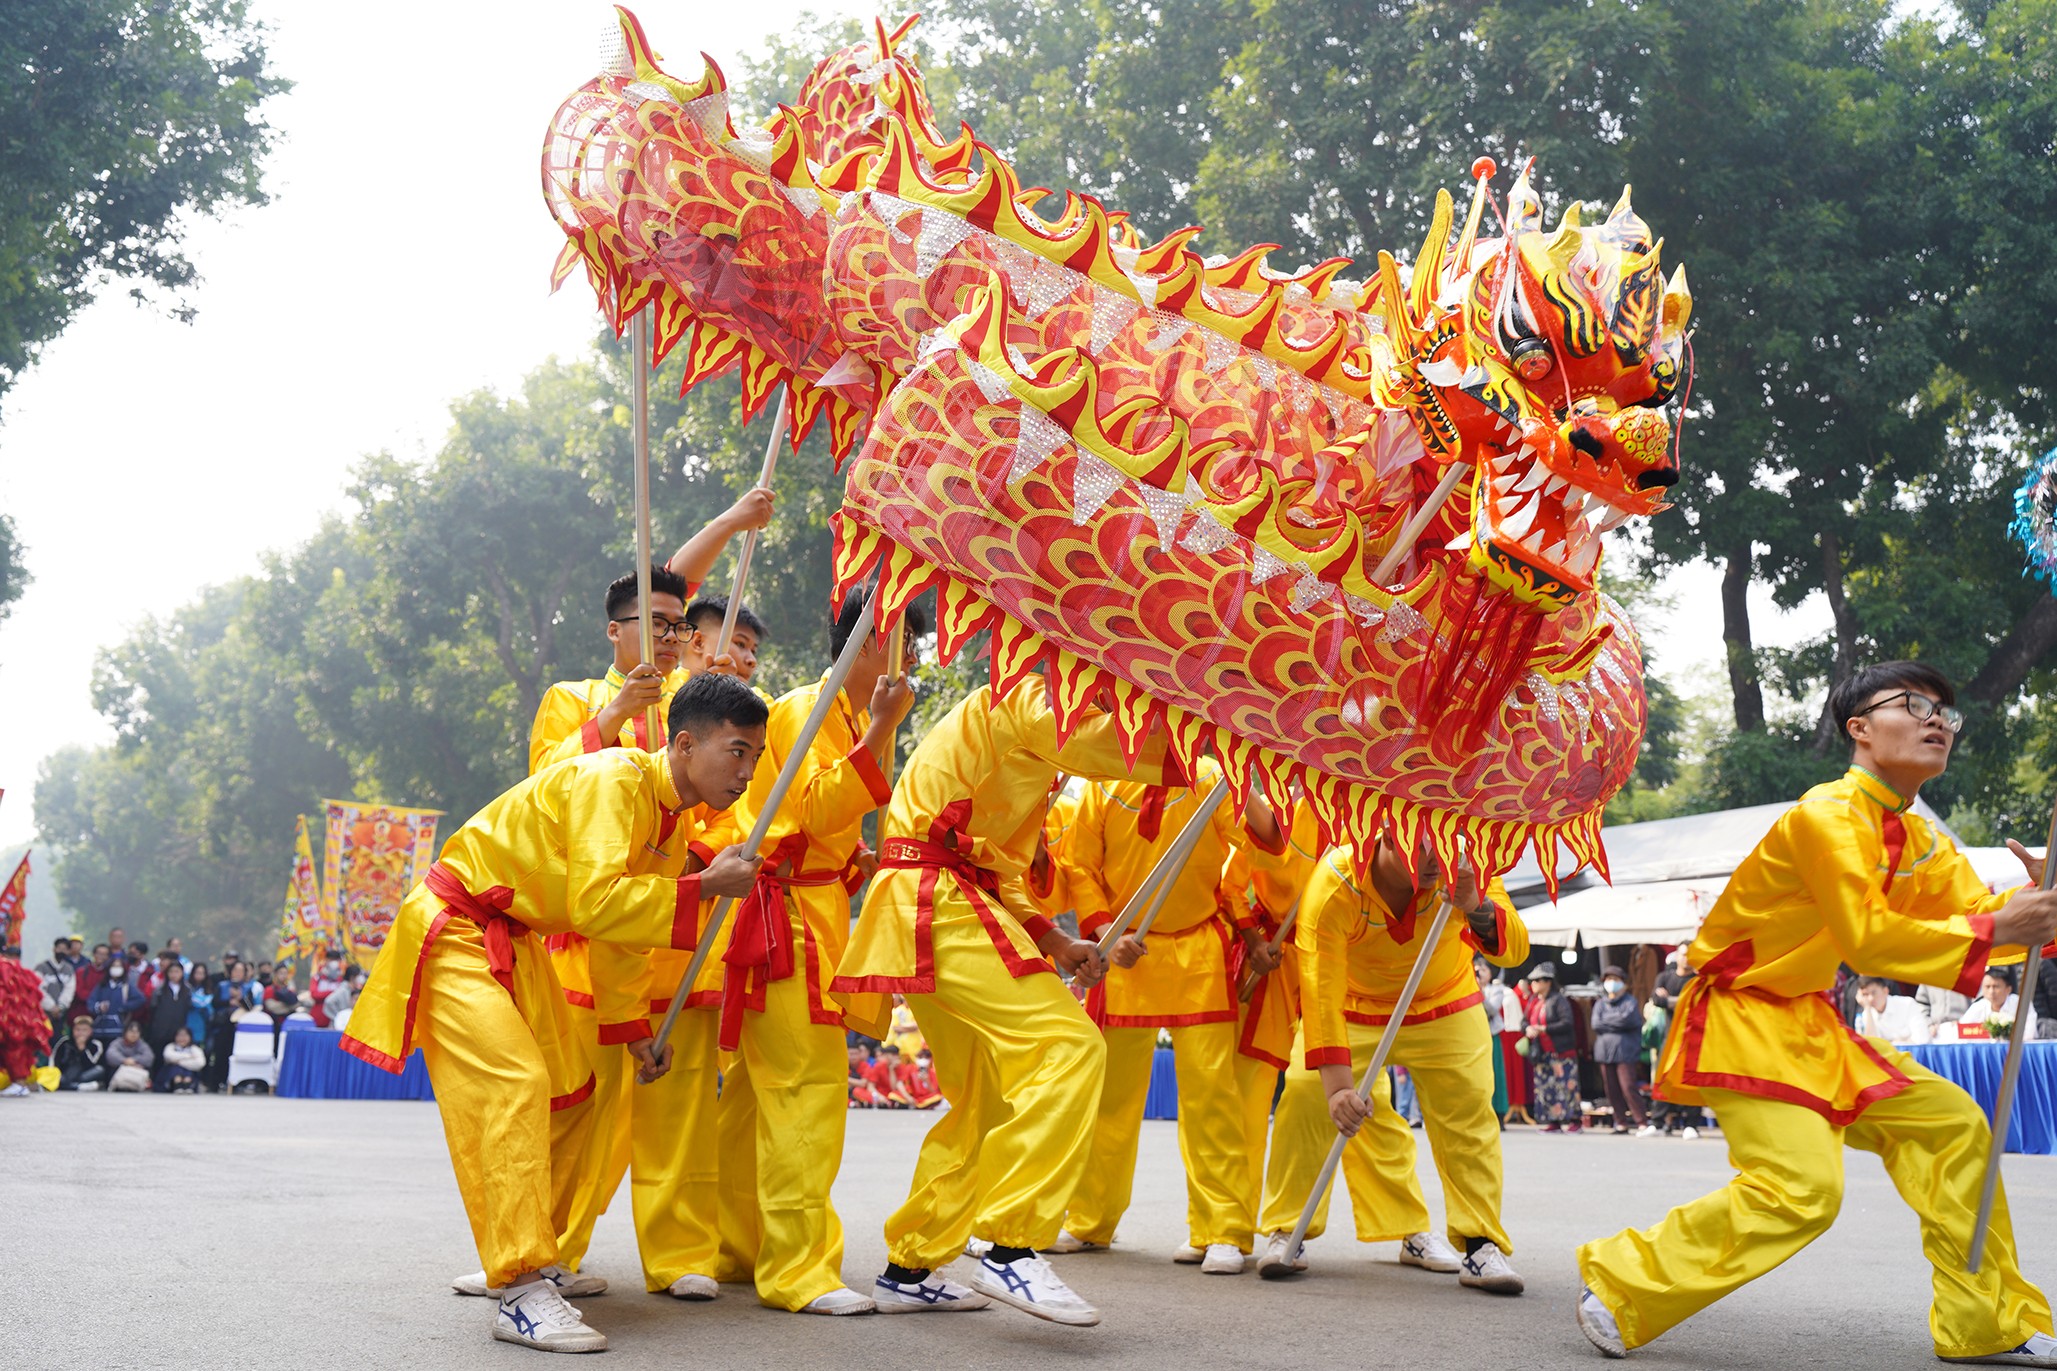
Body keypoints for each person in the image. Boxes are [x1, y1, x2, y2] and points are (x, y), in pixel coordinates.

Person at [1575, 661, 2057, 1365]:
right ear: (1858, 727)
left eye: (1946, 715)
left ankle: (1982, 1317)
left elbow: (1976, 918)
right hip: (1743, 1016)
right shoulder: (1825, 815)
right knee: (1803, 1188)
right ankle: (1622, 1281)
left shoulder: (1921, 839)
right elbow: (1868, 937)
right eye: (1916, 705)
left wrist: (2038, 907)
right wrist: (2003, 928)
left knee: (1951, 1126)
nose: (1937, 722)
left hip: (1809, 1022)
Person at [344, 673, 768, 1355]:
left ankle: (535, 1256)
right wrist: (704, 888)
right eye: (737, 751)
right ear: (685, 744)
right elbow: (600, 901)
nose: (747, 772)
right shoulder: (617, 781)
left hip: (513, 936)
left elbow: (620, 935)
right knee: (517, 1084)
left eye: (754, 756)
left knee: (574, 1092)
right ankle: (516, 1286)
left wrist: (633, 1031)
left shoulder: (668, 819)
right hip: (455, 925)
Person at [830, 668, 1180, 1325]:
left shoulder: (1037, 737)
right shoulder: (1030, 696)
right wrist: (1215, 736)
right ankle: (1012, 1243)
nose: (1118, 697)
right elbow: (1117, 751)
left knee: (985, 1097)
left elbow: (1001, 867)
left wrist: (1052, 937)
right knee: (1069, 1045)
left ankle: (910, 1265)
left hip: (942, 901)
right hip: (936, 900)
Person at [706, 590, 918, 1315]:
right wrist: (885, 726)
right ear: (865, 643)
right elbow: (810, 804)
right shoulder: (808, 706)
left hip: (807, 909)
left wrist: (850, 855)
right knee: (807, 1092)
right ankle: (799, 1269)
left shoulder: (848, 715)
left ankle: (741, 1246)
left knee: (752, 1101)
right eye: (903, 641)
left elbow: (820, 823)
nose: (912, 658)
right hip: (784, 920)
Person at [1251, 836, 1528, 1295]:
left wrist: (1475, 903)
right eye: (1420, 848)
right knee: (1303, 1094)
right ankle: (1289, 1230)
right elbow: (1319, 990)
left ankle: (1481, 1244)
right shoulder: (1336, 879)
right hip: (1355, 1006)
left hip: (1445, 1001)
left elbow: (1514, 951)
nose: (1434, 860)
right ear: (1381, 836)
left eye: (1441, 846)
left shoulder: (1469, 862)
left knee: (1469, 1112)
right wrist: (1338, 1087)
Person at [1050, 761, 1284, 1274]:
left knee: (1211, 1097)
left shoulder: (1211, 779)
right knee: (1110, 1099)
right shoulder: (1103, 781)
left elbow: (1263, 841)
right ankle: (1091, 1219)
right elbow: (1081, 868)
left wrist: (1246, 771)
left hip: (1200, 950)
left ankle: (1222, 1229)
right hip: (1123, 957)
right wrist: (1108, 931)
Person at [1590, 966, 1647, 1135]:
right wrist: (1615, 1022)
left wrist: (1608, 1022)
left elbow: (1626, 1020)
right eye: (1608, 980)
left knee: (1628, 1086)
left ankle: (1641, 1121)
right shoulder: (1600, 1003)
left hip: (1625, 1051)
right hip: (1604, 1051)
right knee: (1611, 1088)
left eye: (1615, 979)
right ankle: (1620, 1121)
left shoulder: (1630, 1002)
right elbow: (1595, 1024)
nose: (1611, 983)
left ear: (1623, 983)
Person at [1524, 966, 1580, 1132]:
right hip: (1542, 1052)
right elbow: (1524, 1021)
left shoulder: (1558, 1000)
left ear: (1547, 982)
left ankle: (1574, 1120)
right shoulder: (1534, 1001)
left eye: (1536, 980)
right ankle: (1553, 1120)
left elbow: (1567, 1022)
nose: (1532, 984)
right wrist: (1527, 1028)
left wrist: (1544, 1028)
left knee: (1566, 1085)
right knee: (1546, 1087)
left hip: (1561, 1051)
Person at [0, 945, 52, 1093]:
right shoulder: (19, 970)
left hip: (11, 1019)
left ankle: (20, 1083)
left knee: (14, 1052)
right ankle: (19, 1083)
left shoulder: (4, 967)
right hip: (23, 1019)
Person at [682, 595, 767, 683]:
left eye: (753, 651)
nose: (752, 660)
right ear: (698, 642)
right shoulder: (667, 690)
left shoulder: (759, 696)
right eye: (740, 644)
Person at [1852, 974, 1932, 1044]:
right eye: (1865, 994)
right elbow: (1871, 1045)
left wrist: (1893, 1044)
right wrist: (1867, 1009)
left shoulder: (1907, 1004)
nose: (1870, 999)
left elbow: (1922, 1039)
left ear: (1885, 991)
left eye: (1873, 993)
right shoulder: (1867, 1014)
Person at [1962, 967, 2036, 1038]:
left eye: (1996, 987)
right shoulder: (1978, 1007)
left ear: (2008, 989)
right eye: (1987, 987)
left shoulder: (2021, 1004)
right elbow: (1962, 1030)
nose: (1991, 992)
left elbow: (2028, 1034)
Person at [87, 956, 145, 1046]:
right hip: (99, 1028)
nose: (116, 969)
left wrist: (123, 1007)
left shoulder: (126, 986)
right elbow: (90, 1002)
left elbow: (140, 999)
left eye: (119, 966)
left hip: (117, 1029)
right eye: (114, 966)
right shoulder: (101, 986)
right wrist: (99, 1007)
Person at [146, 960, 194, 1058]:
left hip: (178, 1031)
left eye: (177, 972)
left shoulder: (187, 990)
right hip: (160, 1031)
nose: (174, 975)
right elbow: (153, 1009)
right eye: (171, 972)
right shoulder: (159, 990)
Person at [36, 937, 77, 1038]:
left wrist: (61, 1006)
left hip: (61, 1014)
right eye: (59, 948)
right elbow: (38, 988)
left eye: (64, 949)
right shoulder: (41, 967)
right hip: (44, 1013)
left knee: (59, 1039)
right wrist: (51, 1006)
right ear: (54, 949)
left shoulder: (69, 969)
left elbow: (70, 989)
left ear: (68, 951)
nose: (61, 951)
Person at [54, 1018, 107, 1091]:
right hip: (66, 1072)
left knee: (100, 1070)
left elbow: (92, 1064)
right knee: (58, 1076)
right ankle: (78, 1086)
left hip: (84, 1074)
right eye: (78, 1030)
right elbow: (55, 1060)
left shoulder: (96, 1044)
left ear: (90, 1031)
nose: (81, 1033)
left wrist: (82, 1049)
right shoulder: (64, 1042)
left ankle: (70, 1085)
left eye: (84, 1030)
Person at [104, 1022, 155, 1092]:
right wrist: (124, 1060)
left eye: (136, 1032)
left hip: (137, 1070)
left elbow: (149, 1057)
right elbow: (111, 1055)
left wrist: (134, 1060)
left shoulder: (142, 1044)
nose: (134, 1034)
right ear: (125, 1032)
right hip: (120, 1069)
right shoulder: (117, 1043)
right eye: (131, 1031)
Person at [157, 1026, 204, 1092]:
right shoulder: (171, 1046)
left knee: (187, 1070)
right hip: (171, 1075)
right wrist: (188, 1057)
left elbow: (200, 1063)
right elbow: (168, 1056)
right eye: (179, 1036)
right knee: (175, 1068)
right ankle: (177, 1084)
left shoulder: (194, 1048)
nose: (182, 1038)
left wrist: (179, 1062)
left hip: (190, 1073)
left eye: (185, 1036)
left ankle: (187, 1084)